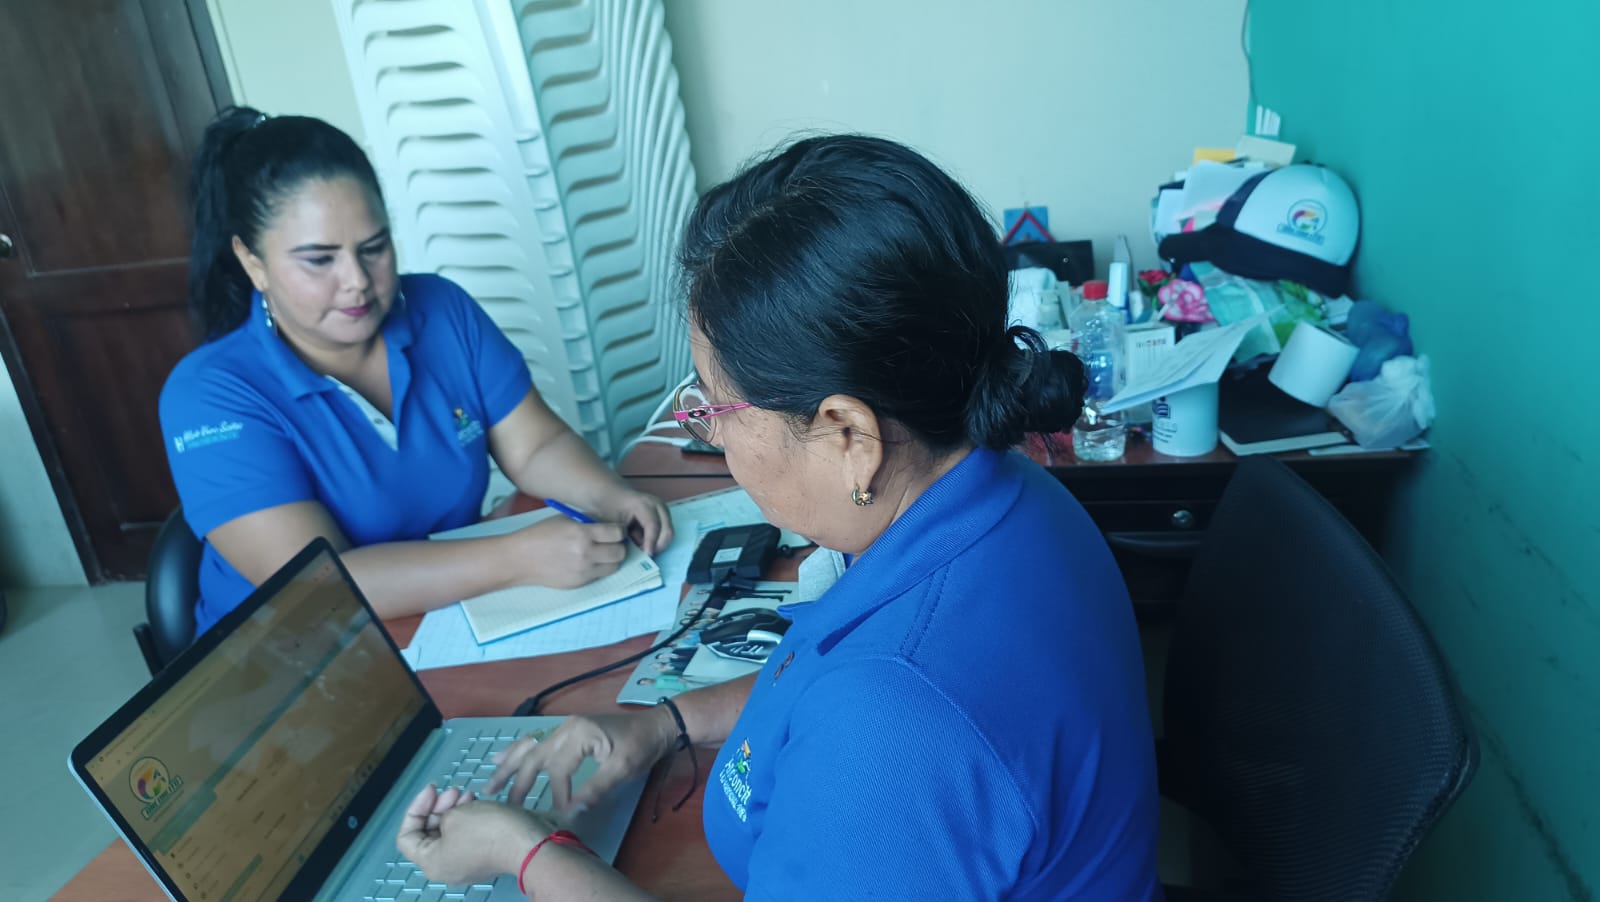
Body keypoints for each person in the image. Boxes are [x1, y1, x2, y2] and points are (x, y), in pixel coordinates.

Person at [395, 135, 1162, 899]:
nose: (710, 432)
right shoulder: (1002, 492)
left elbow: (886, 715)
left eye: (715, 406)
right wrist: (667, 723)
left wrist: (525, 850)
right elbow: (823, 682)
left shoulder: (891, 722)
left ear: (849, 436)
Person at [160, 107, 671, 633]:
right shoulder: (207, 396)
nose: (357, 280)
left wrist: (609, 495)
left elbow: (535, 446)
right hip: (297, 654)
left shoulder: (442, 310)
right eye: (320, 260)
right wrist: (516, 558)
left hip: (449, 616)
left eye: (374, 248)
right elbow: (322, 586)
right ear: (252, 262)